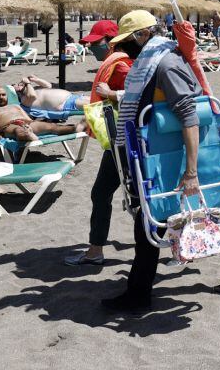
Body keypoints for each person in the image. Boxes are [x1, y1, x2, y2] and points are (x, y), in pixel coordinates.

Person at [101, 10, 220, 313]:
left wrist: (191, 172)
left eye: (127, 41)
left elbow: (189, 116)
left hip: (174, 157)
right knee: (194, 214)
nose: (123, 48)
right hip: (163, 153)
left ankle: (138, 296)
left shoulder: (167, 64)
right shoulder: (153, 62)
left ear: (142, 36)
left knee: (152, 221)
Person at [64, 17, 138, 267]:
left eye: (97, 42)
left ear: (111, 42)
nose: (91, 47)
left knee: (111, 194)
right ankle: (96, 250)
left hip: (127, 142)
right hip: (120, 141)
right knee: (118, 195)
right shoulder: (116, 62)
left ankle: (96, 251)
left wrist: (114, 95)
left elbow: (141, 95)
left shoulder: (121, 65)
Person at [0, 85, 84, 143]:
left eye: (3, 95)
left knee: (52, 126)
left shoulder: (16, 106)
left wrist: (32, 123)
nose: (1, 97)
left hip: (26, 124)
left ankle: (75, 128)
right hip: (8, 126)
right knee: (17, 130)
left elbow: (28, 118)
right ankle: (27, 135)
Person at [14, 74, 87, 112]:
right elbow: (33, 96)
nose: (19, 84)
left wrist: (36, 80)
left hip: (73, 97)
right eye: (16, 86)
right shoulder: (24, 100)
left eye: (19, 83)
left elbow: (48, 85)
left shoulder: (34, 90)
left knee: (96, 100)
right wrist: (27, 83)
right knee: (95, 104)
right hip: (66, 104)